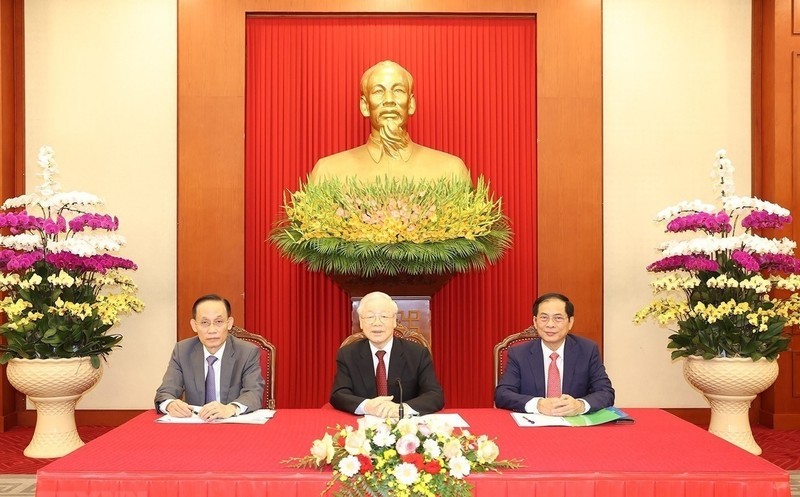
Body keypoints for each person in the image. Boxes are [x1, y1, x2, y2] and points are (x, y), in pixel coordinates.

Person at [308, 60, 471, 184]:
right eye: (378, 91)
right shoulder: (328, 173)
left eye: (398, 90)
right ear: (364, 106)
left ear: (411, 103)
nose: (389, 100)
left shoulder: (451, 171)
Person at [494, 292, 614, 416]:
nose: (550, 324)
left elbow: (605, 392)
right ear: (535, 321)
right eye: (544, 318)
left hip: (575, 428)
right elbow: (503, 394)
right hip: (532, 428)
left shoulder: (587, 350)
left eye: (558, 318)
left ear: (570, 322)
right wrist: (537, 404)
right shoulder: (519, 354)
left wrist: (580, 405)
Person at [330, 291, 444, 417]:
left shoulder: (417, 353)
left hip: (405, 427)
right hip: (362, 425)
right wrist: (367, 406)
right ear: (361, 322)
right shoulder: (348, 354)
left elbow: (435, 395)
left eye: (384, 316)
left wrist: (402, 409)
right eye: (369, 317)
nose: (377, 323)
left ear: (394, 321)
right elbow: (338, 394)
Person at [154, 294, 264, 421]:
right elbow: (164, 392)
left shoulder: (247, 352)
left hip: (232, 427)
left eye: (218, 322)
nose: (212, 330)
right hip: (195, 428)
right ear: (194, 325)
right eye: (205, 322)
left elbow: (254, 393)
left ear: (229, 323)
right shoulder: (182, 351)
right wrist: (170, 404)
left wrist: (231, 408)